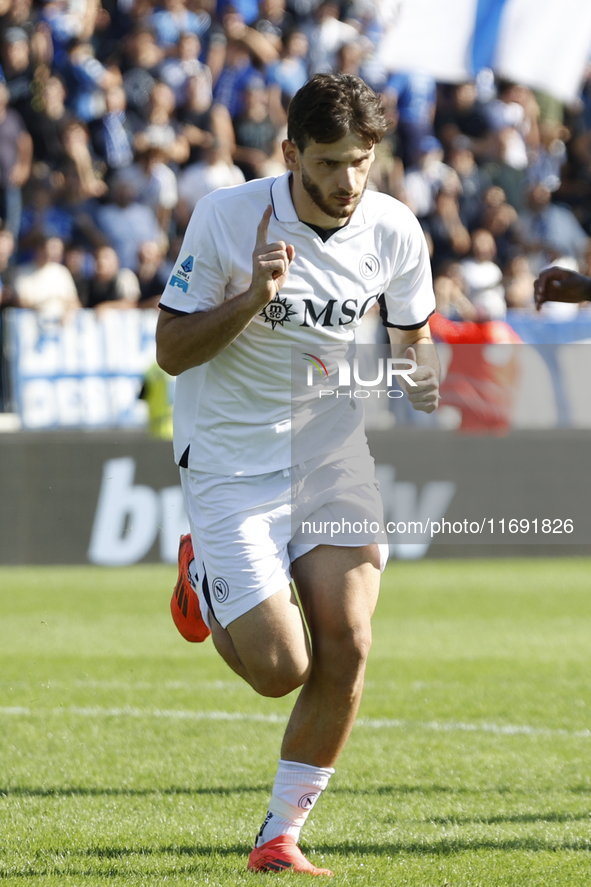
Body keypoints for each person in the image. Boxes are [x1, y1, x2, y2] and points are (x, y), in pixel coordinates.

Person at [156, 73, 439, 877]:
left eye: (359, 161)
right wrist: (253, 296)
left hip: (330, 452)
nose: (344, 182)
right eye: (326, 162)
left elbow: (413, 341)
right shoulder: (227, 216)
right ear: (290, 153)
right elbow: (170, 351)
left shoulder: (393, 228)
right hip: (230, 460)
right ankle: (202, 578)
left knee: (348, 640)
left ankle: (278, 835)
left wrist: (420, 374)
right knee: (281, 670)